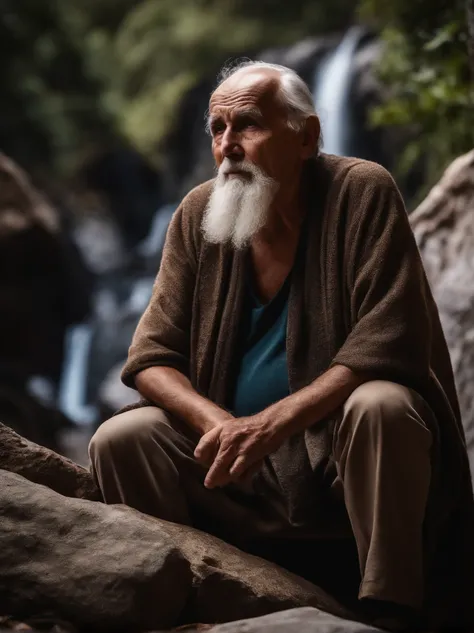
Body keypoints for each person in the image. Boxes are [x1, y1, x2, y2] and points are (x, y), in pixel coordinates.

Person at [89, 61, 474, 630]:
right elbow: (150, 358)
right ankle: (176, 600)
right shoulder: (197, 213)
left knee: (383, 405)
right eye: (217, 130)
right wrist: (221, 424)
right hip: (234, 467)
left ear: (308, 137)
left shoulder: (361, 191)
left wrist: (274, 424)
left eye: (247, 126)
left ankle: (391, 608)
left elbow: (388, 338)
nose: (228, 146)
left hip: (340, 466)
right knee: (122, 437)